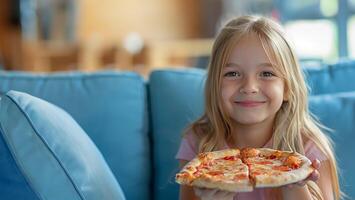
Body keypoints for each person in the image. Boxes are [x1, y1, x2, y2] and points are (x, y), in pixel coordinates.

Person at [176, 15, 342, 200]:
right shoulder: (198, 142)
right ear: (215, 84)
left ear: (287, 88)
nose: (249, 87)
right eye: (232, 73)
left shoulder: (309, 148)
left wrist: (295, 188)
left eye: (266, 73)